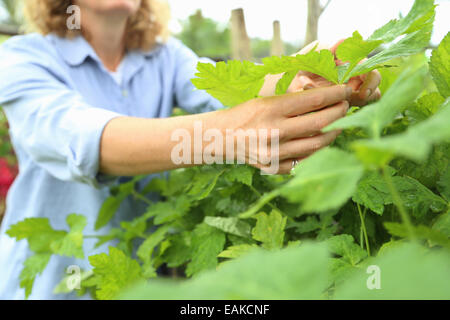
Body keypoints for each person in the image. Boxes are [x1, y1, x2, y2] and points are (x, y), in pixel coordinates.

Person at [0, 0, 381, 299]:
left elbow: (228, 92)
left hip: (145, 277)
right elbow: (82, 139)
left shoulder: (165, 56)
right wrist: (225, 137)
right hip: (53, 281)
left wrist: (305, 76)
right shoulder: (22, 57)